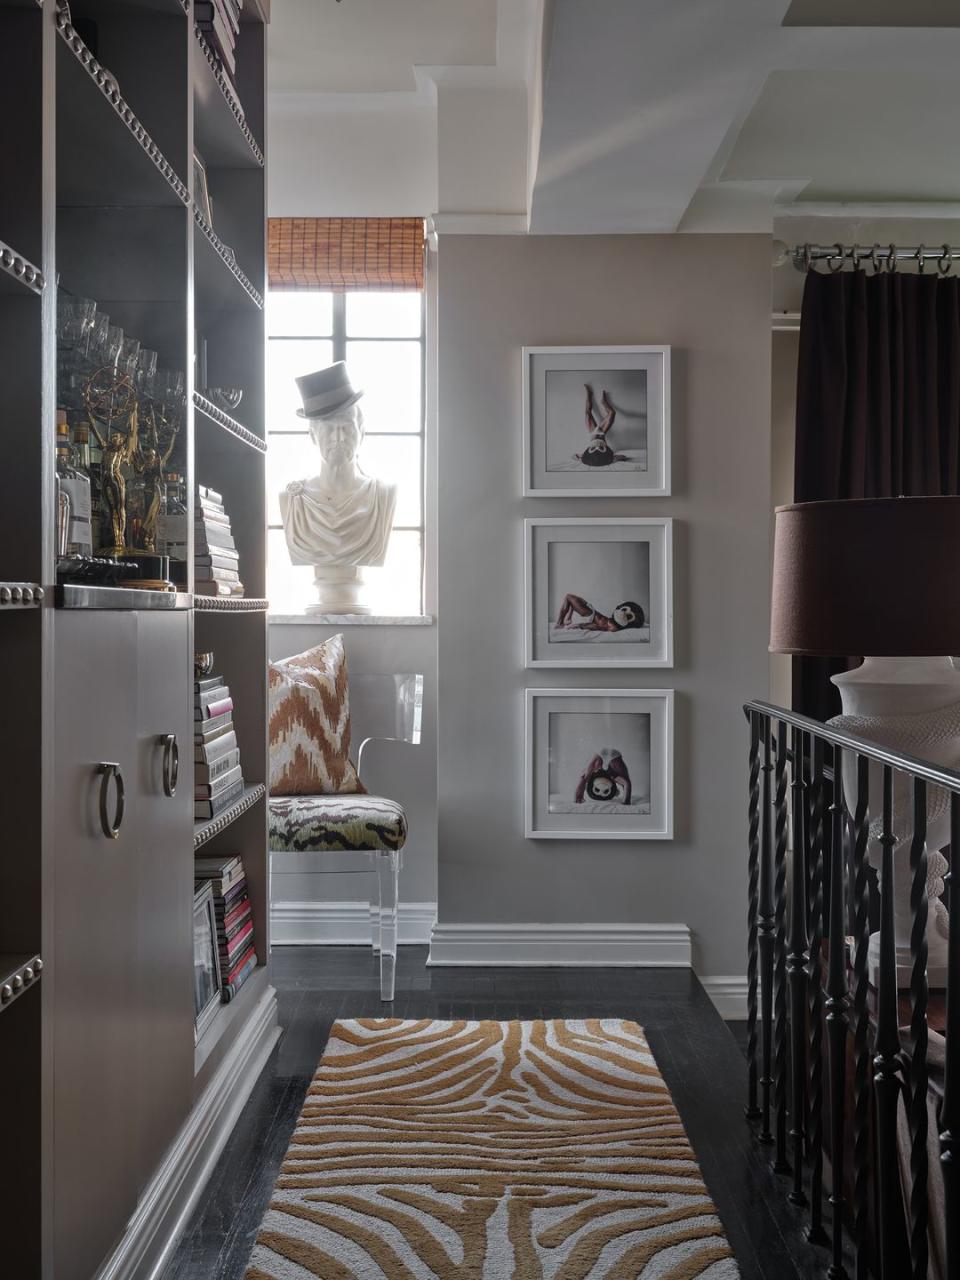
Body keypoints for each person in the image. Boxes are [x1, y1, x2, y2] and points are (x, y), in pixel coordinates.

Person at [575, 383, 629, 467]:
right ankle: (604, 402)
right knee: (612, 413)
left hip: (592, 432)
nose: (597, 448)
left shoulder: (586, 457)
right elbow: (623, 457)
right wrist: (619, 458)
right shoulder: (609, 457)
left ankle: (589, 394)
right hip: (602, 432)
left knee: (587, 413)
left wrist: (579, 457)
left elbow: (575, 456)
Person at [555, 593, 645, 633]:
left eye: (628, 616)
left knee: (569, 597)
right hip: (592, 611)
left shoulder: (614, 627)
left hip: (590, 614)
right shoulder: (615, 622)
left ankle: (560, 623)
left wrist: (580, 626)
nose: (623, 614)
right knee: (577, 600)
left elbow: (598, 627)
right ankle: (568, 619)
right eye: (624, 610)